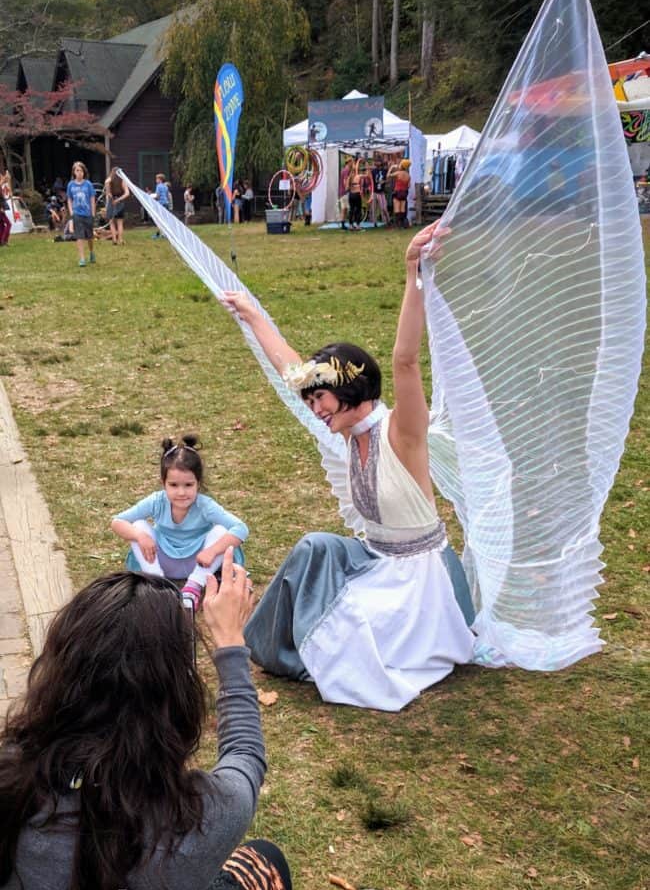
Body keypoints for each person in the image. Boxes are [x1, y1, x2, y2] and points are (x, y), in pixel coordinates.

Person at [222, 222, 476, 712]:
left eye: (322, 399)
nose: (315, 409)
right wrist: (253, 316)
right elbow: (292, 369)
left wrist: (413, 276)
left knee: (349, 637)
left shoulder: (400, 433)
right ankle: (263, 643)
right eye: (312, 401)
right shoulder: (347, 432)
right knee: (313, 548)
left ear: (353, 394)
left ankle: (315, 655)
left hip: (419, 584)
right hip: (374, 557)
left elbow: (405, 362)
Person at [0, 548, 292, 890]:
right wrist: (230, 646)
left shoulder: (9, 780)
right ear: (174, 695)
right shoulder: (193, 822)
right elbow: (245, 756)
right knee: (263, 865)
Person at [110, 435, 249, 612]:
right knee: (138, 526)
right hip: (162, 561)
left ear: (198, 484)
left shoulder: (205, 505)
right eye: (174, 485)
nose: (181, 492)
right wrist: (140, 536)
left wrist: (211, 551)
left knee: (222, 531)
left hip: (199, 562)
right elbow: (117, 521)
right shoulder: (156, 501)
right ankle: (158, 584)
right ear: (163, 484)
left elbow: (241, 528)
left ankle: (193, 588)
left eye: (188, 485)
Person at [66, 161, 96, 266]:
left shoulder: (88, 184)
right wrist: (71, 212)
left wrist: (93, 213)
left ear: (84, 172)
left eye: (81, 170)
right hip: (77, 214)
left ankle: (92, 252)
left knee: (89, 236)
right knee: (79, 236)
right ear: (74, 172)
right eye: (77, 170)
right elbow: (69, 199)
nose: (79, 173)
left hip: (87, 213)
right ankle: (82, 258)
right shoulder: (70, 185)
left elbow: (92, 199)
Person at [104, 167, 130, 245]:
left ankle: (114, 239)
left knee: (111, 222)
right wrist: (118, 200)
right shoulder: (123, 181)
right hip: (120, 202)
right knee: (120, 222)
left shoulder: (108, 181)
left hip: (111, 203)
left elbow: (108, 194)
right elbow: (127, 193)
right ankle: (120, 240)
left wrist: (110, 202)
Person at [390, 158, 411, 228]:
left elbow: (388, 175)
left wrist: (391, 167)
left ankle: (397, 224)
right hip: (404, 193)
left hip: (397, 192)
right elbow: (409, 186)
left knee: (397, 209)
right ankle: (403, 224)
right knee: (402, 209)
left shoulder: (398, 173)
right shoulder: (408, 175)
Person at [371, 156, 389, 226]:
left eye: (378, 161)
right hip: (374, 191)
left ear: (381, 162)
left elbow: (388, 179)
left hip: (381, 192)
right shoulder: (373, 171)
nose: (377, 163)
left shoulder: (385, 170)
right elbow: (371, 180)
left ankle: (387, 221)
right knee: (374, 207)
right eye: (376, 162)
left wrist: (383, 181)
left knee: (384, 208)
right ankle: (374, 222)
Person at [151, 173, 171, 238]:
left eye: (157, 179)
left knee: (159, 220)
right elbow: (167, 196)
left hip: (161, 204)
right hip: (166, 204)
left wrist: (151, 197)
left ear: (160, 180)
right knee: (165, 220)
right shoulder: (165, 186)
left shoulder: (158, 186)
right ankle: (165, 234)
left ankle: (158, 234)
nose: (156, 180)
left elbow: (157, 196)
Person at [347, 163, 363, 231]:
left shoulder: (349, 178)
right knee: (358, 210)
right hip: (357, 195)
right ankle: (357, 225)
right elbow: (367, 175)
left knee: (351, 210)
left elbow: (346, 188)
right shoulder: (358, 176)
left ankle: (350, 225)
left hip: (351, 195)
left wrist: (352, 186)